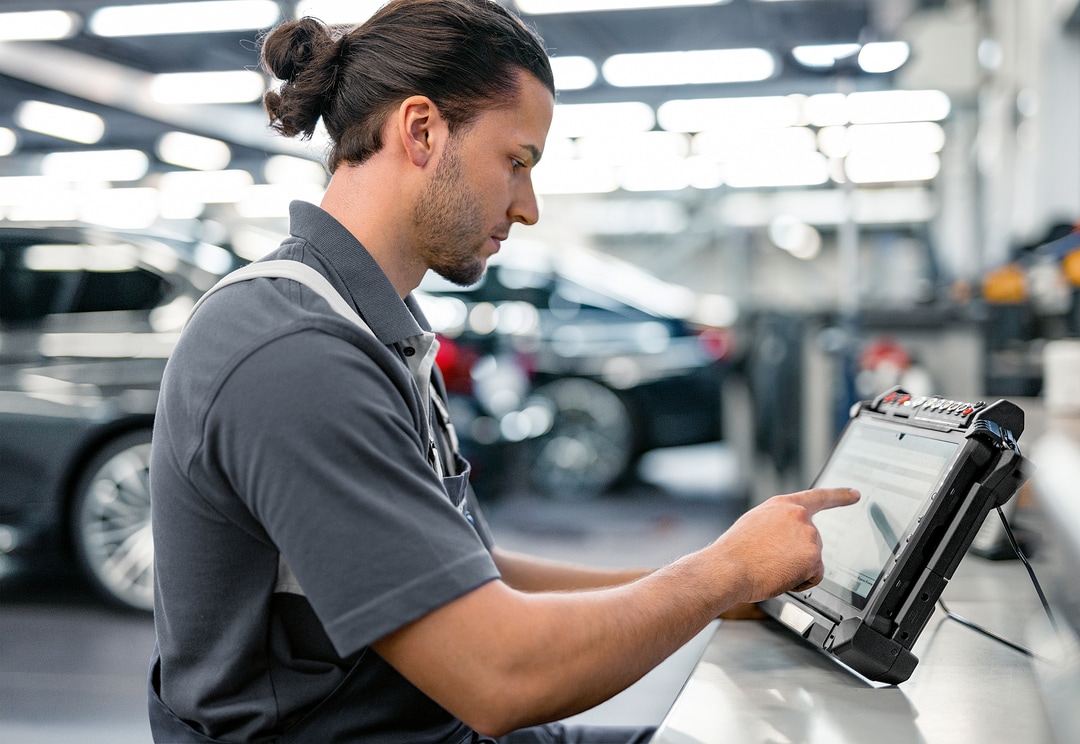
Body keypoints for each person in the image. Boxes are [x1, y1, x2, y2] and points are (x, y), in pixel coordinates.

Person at [147, 1, 860, 742]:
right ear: (421, 131)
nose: (528, 208)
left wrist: (717, 583)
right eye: (517, 162)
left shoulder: (381, 326)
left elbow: (472, 574)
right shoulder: (295, 352)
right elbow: (497, 675)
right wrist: (723, 575)